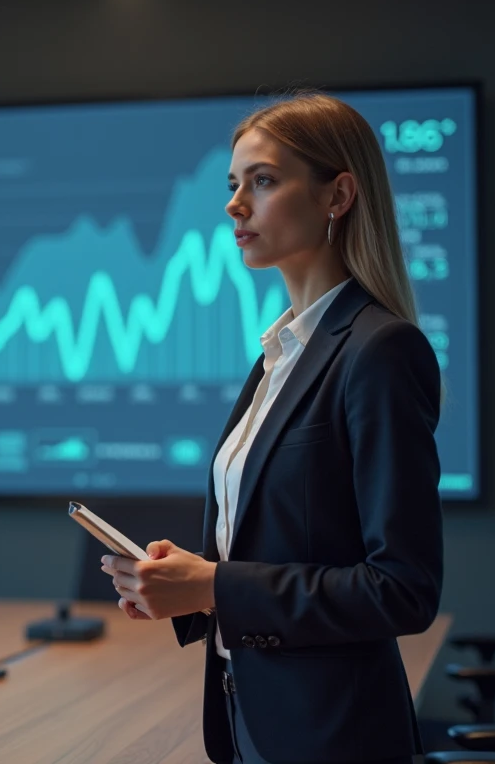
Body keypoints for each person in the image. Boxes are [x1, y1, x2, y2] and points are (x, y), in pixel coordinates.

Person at [100, 92, 444, 764]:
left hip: (331, 735)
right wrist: (188, 587)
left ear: (337, 194)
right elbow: (281, 540)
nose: (234, 204)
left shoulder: (379, 351)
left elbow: (404, 589)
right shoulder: (281, 353)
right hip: (248, 715)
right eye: (233, 185)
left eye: (262, 181)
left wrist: (214, 585)